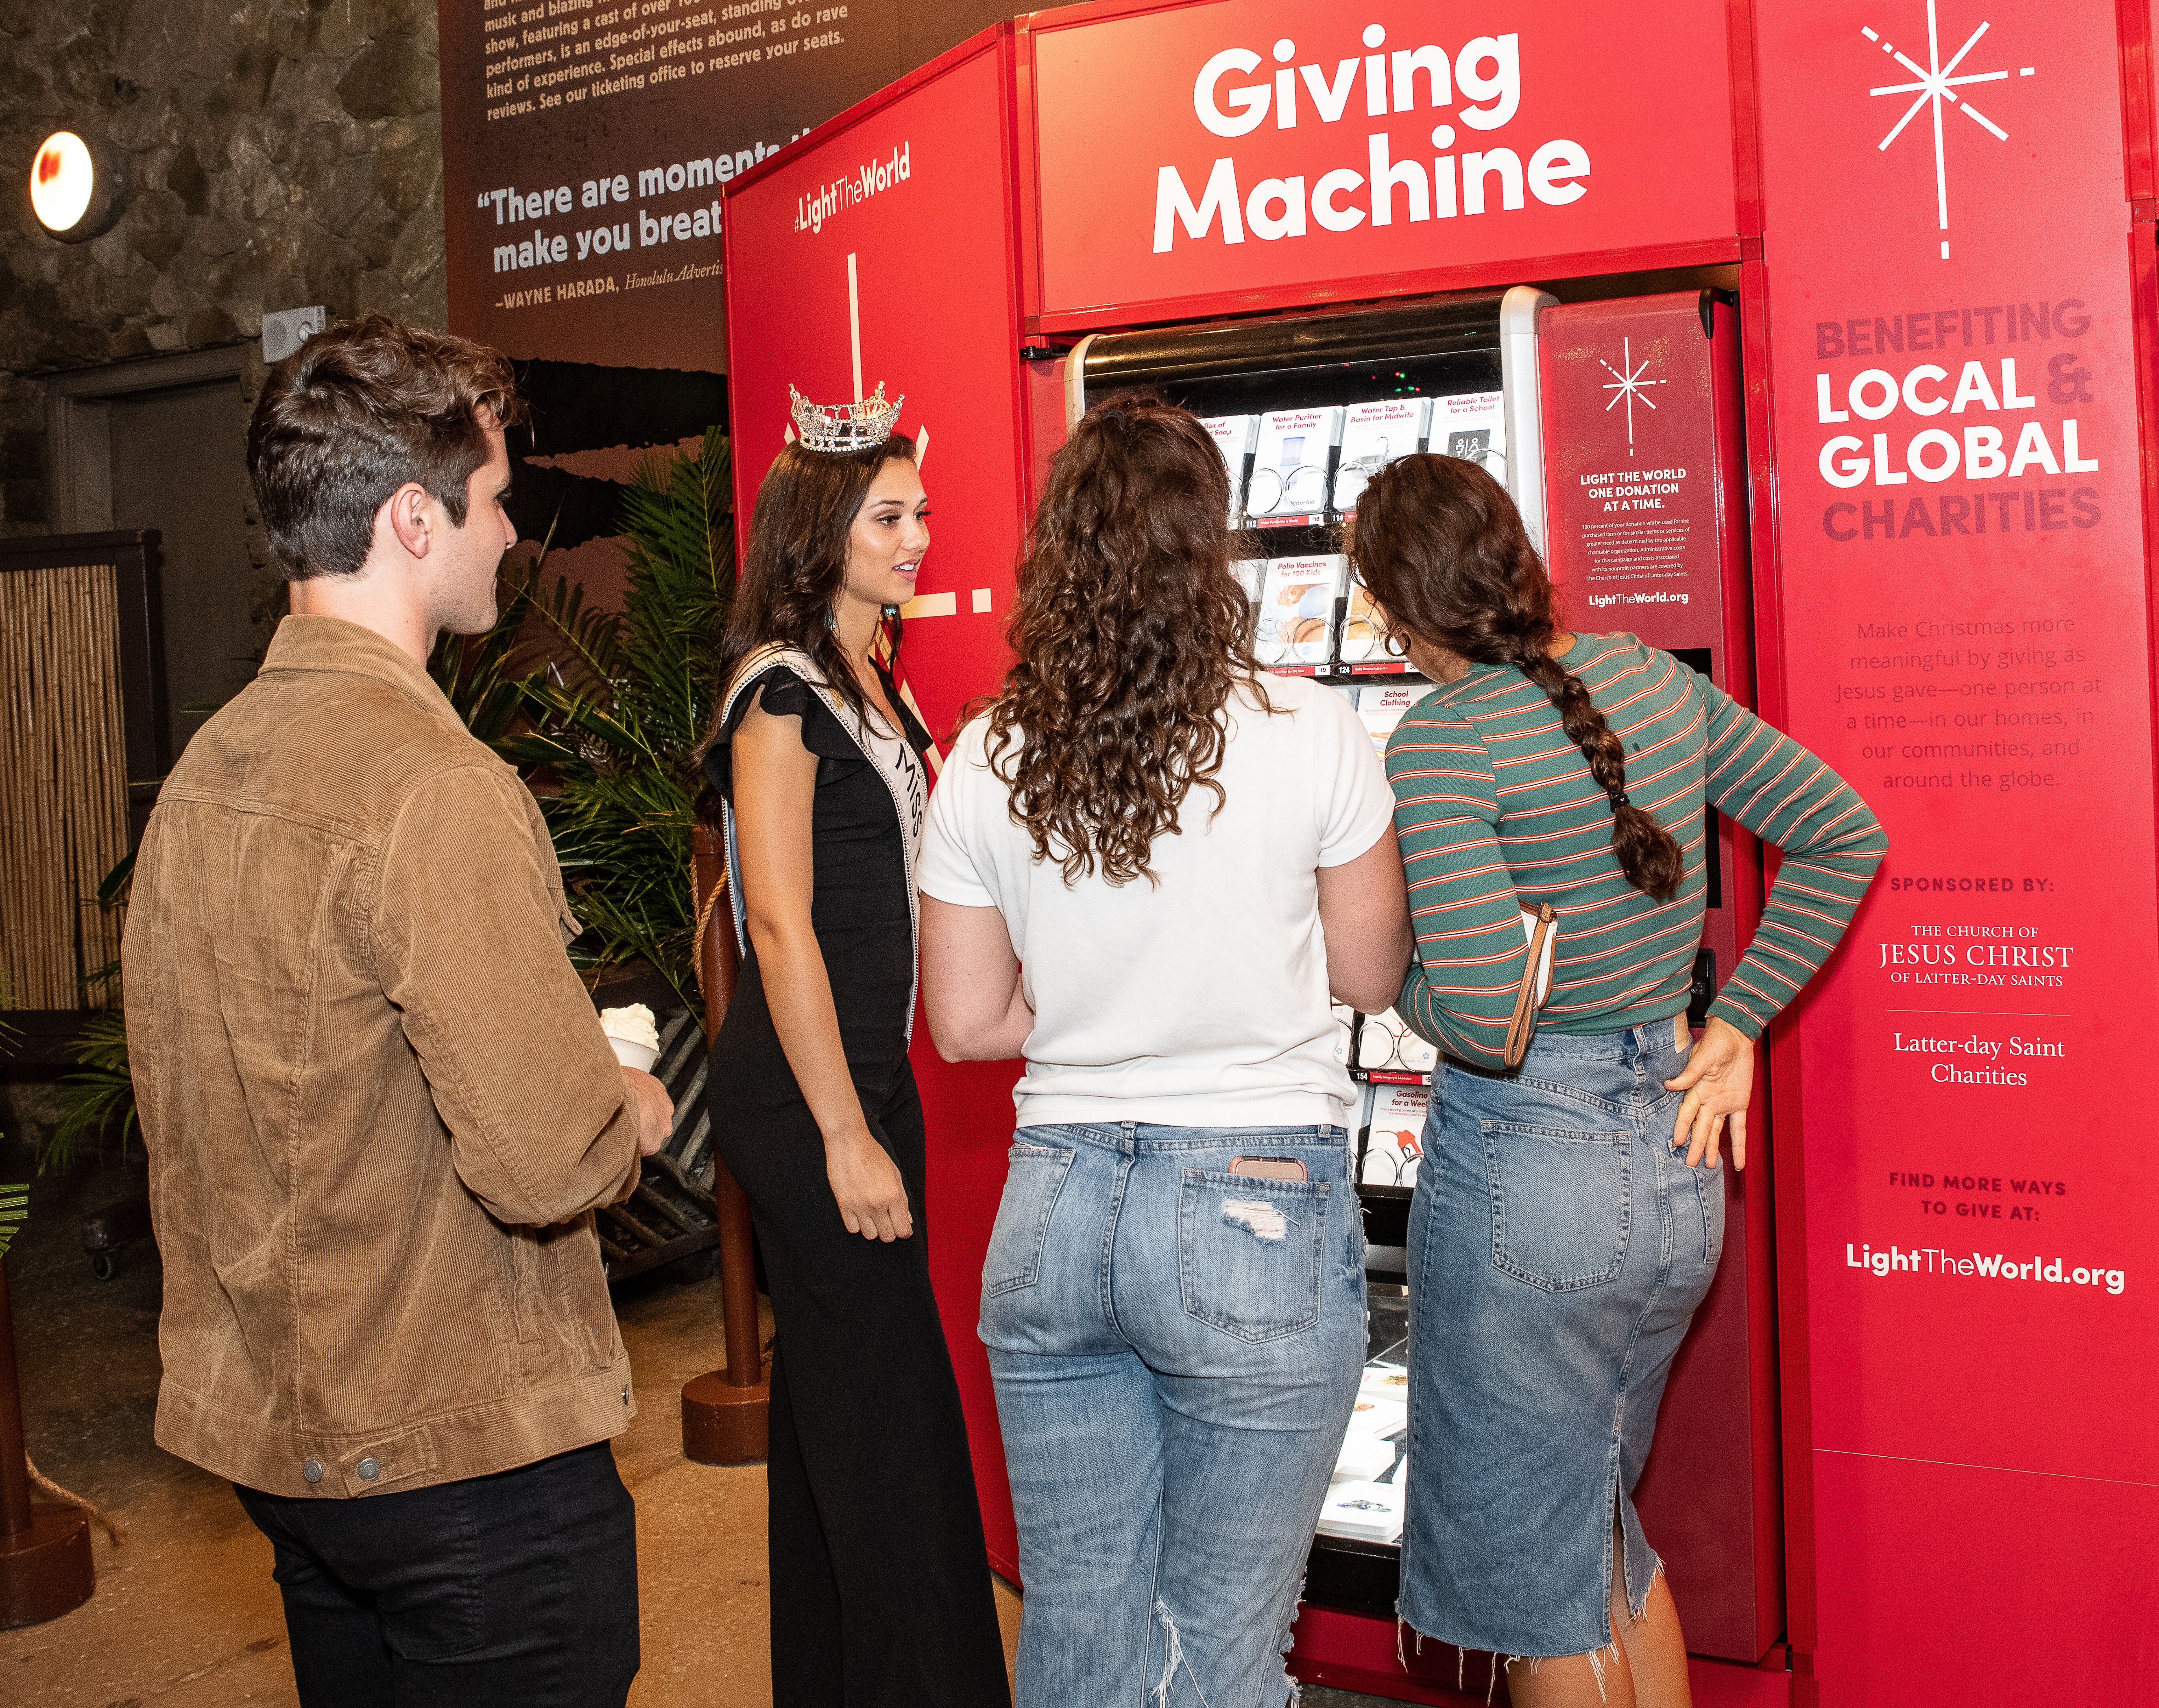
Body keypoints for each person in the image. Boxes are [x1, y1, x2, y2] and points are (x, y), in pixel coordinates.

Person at [121, 316, 675, 1708]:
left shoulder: (205, 772)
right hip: (463, 1465)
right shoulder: (428, 785)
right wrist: (632, 1108)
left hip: (293, 1453)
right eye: (493, 502)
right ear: (414, 518)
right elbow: (548, 1159)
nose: (509, 535)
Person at [1350, 453, 1886, 1707]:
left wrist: (1386, 990)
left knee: (1533, 1582)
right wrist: (1739, 1020)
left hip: (1534, 1184)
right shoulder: (1646, 677)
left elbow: (1483, 1020)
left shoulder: (1440, 743)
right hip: (1672, 1164)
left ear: (1388, 600)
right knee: (1593, 1533)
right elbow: (1838, 831)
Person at [918, 394, 1415, 1708]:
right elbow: (1369, 976)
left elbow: (966, 1025)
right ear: (1218, 550)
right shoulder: (1313, 734)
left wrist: (1097, 1011)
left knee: (1081, 1634)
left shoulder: (985, 753)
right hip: (1256, 1202)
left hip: (1054, 1206)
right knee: (1220, 1640)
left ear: (1055, 552)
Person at [699, 388, 1012, 1708]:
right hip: (809, 1097)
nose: (918, 536)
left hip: (871, 1077)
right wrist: (842, 1134)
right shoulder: (778, 692)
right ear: (820, 532)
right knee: (884, 1422)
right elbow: (776, 921)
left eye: (922, 512)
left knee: (853, 1410)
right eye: (889, 515)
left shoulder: (873, 678)